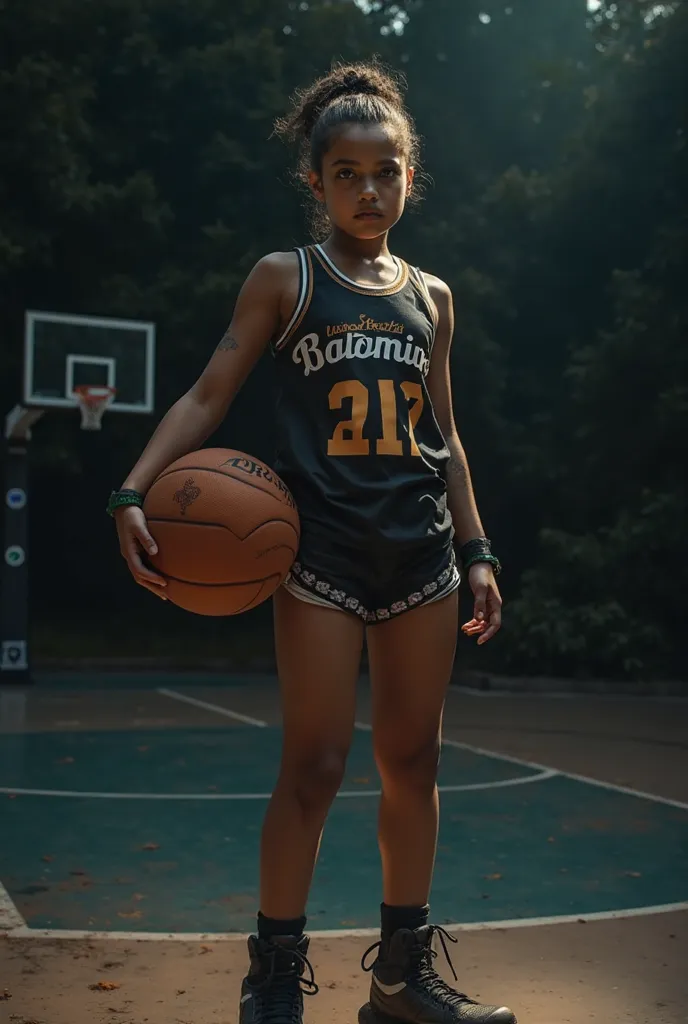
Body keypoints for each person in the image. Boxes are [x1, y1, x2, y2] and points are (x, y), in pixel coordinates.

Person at [110, 60, 514, 1024]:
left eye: (387, 171)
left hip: (420, 554)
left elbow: (446, 434)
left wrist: (479, 549)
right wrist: (132, 486)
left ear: (412, 175)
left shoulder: (434, 296)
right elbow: (211, 392)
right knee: (317, 766)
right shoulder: (285, 279)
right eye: (347, 172)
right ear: (316, 180)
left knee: (414, 764)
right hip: (319, 554)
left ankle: (399, 981)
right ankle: (274, 979)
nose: (368, 190)